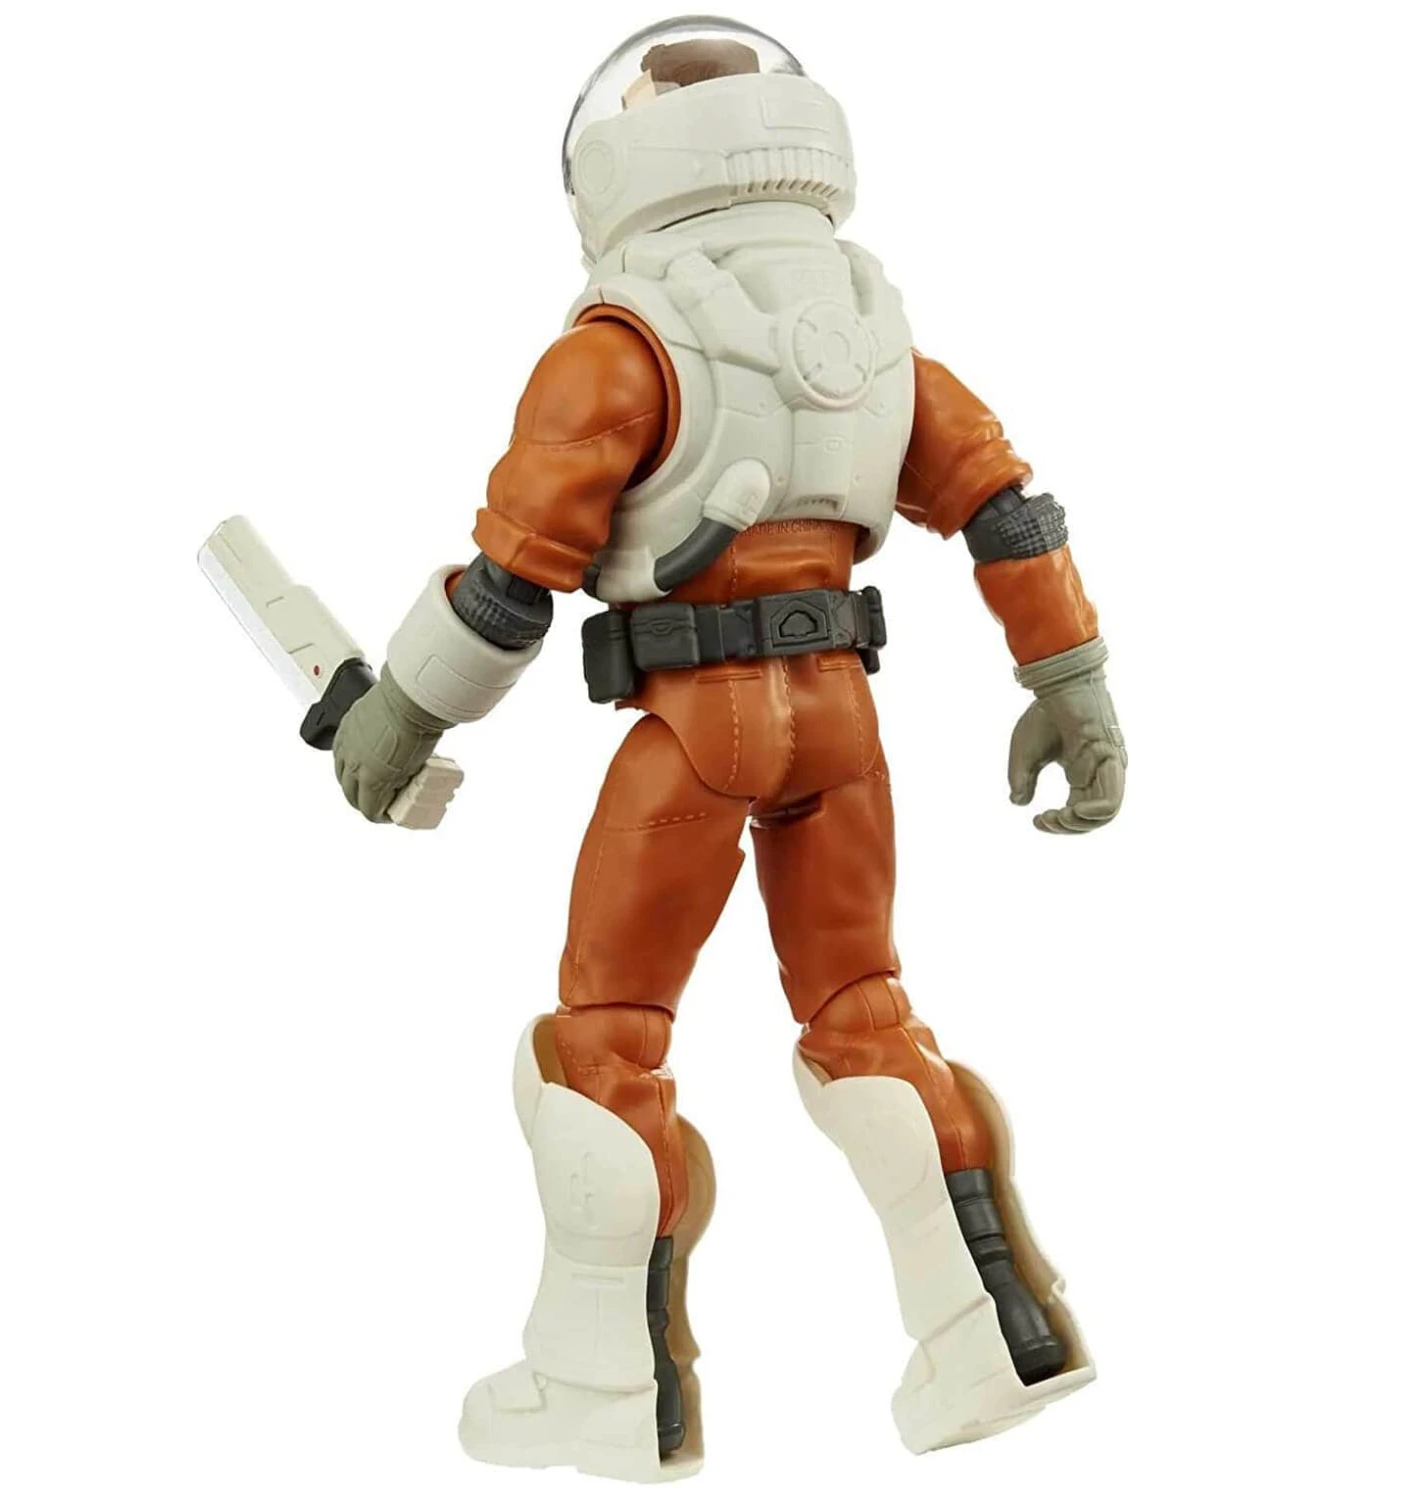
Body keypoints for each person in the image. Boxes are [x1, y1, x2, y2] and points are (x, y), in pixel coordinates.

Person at [333, 16, 1126, 1482]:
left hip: (697, 731)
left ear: (627, 160)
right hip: (844, 720)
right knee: (864, 1013)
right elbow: (1006, 506)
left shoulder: (619, 348)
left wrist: (405, 711)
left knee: (606, 1036)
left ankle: (602, 1384)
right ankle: (992, 1332)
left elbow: (513, 583)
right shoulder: (872, 338)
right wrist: (1070, 677)